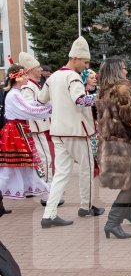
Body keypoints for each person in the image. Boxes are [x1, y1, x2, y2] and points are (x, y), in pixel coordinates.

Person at [39, 37, 105, 228]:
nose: (86, 66)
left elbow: (42, 100)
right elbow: (80, 101)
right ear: (74, 58)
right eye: (84, 62)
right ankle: (86, 206)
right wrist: (99, 97)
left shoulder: (53, 77)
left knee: (61, 174)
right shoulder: (73, 77)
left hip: (58, 130)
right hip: (76, 131)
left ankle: (48, 215)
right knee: (87, 168)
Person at [96, 57, 131, 239]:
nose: (126, 71)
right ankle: (113, 222)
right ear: (115, 71)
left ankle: (128, 211)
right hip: (126, 143)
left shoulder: (105, 90)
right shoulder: (122, 89)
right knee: (130, 183)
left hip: (114, 142)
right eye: (123, 68)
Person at [0, 64, 53, 214]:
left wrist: (42, 104)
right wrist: (49, 108)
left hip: (18, 130)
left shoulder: (15, 92)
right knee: (11, 166)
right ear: (17, 78)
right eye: (23, 75)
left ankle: (47, 194)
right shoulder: (14, 94)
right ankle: (48, 195)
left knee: (22, 165)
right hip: (15, 132)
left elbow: (28, 105)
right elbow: (27, 110)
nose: (26, 78)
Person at [18, 52, 59, 207]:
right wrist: (45, 105)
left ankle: (47, 191)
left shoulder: (36, 84)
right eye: (37, 68)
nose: (41, 69)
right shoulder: (28, 86)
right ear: (29, 70)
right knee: (45, 159)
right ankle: (46, 194)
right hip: (36, 127)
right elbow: (29, 106)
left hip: (41, 125)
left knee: (46, 158)